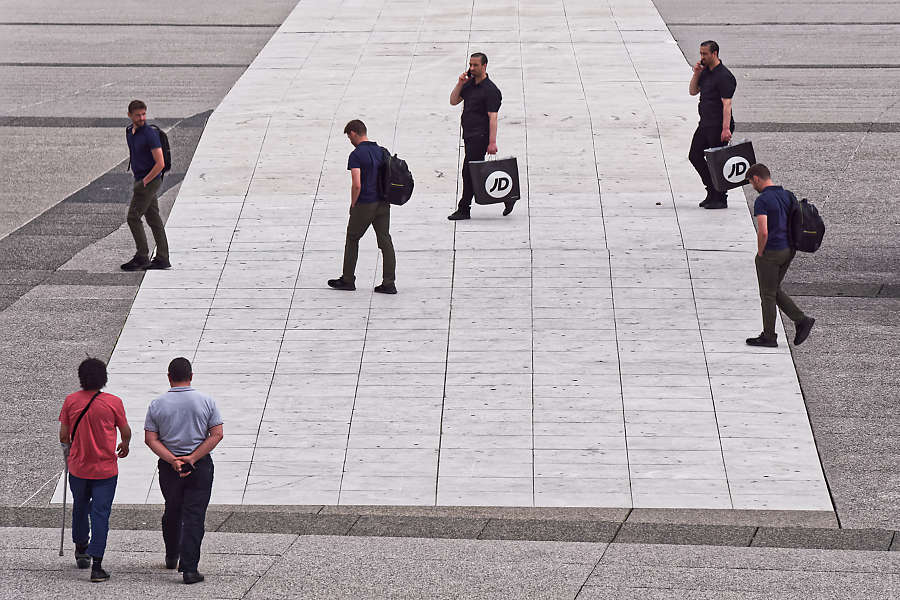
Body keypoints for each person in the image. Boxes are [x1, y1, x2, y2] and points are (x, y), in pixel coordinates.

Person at [144, 357, 223, 585]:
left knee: (172, 509)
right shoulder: (206, 401)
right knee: (194, 516)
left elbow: (150, 439)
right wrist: (192, 458)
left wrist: (172, 460)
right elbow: (217, 434)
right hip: (199, 465)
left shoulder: (157, 404)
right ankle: (189, 569)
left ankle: (172, 555)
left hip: (170, 468)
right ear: (191, 376)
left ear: (169, 377)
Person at [58, 358, 131, 583]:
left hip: (79, 468)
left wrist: (70, 450)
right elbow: (125, 430)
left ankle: (81, 549)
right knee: (100, 513)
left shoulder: (71, 401)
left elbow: (63, 435)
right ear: (103, 378)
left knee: (80, 506)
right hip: (105, 470)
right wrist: (125, 444)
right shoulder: (113, 402)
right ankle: (97, 565)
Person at [746, 163, 815, 347]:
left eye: (751, 183)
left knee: (767, 294)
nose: (753, 187)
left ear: (756, 179)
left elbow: (763, 231)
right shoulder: (788, 195)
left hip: (772, 251)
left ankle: (770, 335)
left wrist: (761, 252)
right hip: (789, 250)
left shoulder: (762, 200)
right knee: (773, 289)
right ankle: (801, 321)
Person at [327, 119, 398, 294]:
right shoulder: (382, 151)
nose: (350, 141)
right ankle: (389, 283)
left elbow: (357, 184)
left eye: (349, 137)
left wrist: (353, 204)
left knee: (352, 238)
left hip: (365, 203)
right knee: (385, 241)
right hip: (383, 202)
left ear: (353, 133)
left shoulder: (356, 155)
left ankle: (347, 279)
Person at [448, 52, 509, 220]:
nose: (472, 68)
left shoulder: (491, 90)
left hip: (480, 136)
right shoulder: (468, 84)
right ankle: (507, 197)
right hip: (468, 135)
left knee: (468, 172)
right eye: (470, 65)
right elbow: (453, 101)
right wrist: (460, 83)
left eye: (475, 65)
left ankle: (464, 208)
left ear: (484, 66)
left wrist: (492, 142)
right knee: (476, 172)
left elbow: (493, 117)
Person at [121, 99, 170, 271]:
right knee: (153, 217)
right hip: (141, 179)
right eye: (138, 115)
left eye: (144, 114)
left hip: (149, 180)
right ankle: (163, 258)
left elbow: (160, 163)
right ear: (129, 115)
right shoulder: (129, 131)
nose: (142, 118)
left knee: (133, 217)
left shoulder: (150, 134)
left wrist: (144, 182)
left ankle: (142, 256)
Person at [688, 41, 737, 210]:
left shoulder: (724, 76)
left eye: (705, 54)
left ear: (714, 53)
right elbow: (693, 91)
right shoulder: (705, 72)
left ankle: (721, 198)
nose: (702, 57)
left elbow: (727, 104)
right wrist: (696, 74)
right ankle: (711, 190)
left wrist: (726, 129)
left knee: (717, 162)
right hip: (705, 124)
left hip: (718, 126)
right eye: (701, 53)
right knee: (695, 155)